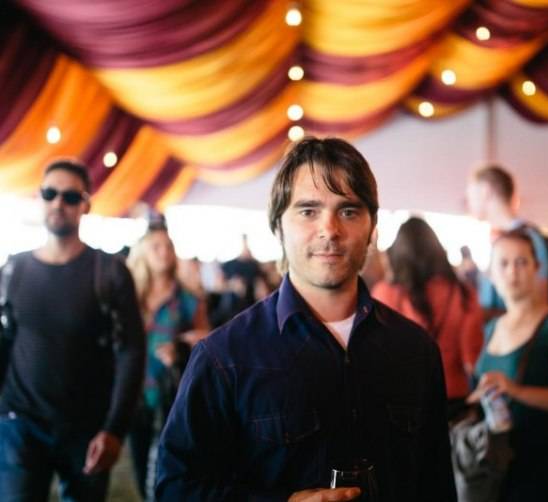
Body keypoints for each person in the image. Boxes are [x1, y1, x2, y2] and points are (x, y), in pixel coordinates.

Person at [156, 138, 456, 501]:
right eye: (308, 211)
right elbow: (176, 489)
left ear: (372, 229)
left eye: (348, 211)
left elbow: (437, 484)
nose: (330, 229)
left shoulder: (415, 350)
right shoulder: (225, 357)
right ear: (278, 227)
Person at [0, 160, 145, 501]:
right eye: (49, 194)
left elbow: (131, 351)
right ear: (39, 198)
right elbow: (5, 341)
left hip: (87, 426)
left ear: (85, 205)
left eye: (69, 196)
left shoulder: (109, 272)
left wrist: (114, 429)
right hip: (20, 423)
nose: (58, 204)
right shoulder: (14, 269)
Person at [471, 230, 548, 501]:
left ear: (537, 267)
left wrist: (516, 391)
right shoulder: (493, 327)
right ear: (491, 274)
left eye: (521, 262)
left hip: (538, 464)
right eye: (503, 263)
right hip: (495, 461)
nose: (512, 271)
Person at [126, 223, 209, 500]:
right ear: (143, 254)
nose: (164, 252)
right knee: (140, 466)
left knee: (164, 469)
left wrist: (182, 345)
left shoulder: (188, 299)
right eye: (156, 247)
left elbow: (207, 342)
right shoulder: (130, 297)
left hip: (171, 396)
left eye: (169, 246)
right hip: (134, 394)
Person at [372, 217, 484, 418]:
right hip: (454, 397)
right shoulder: (463, 293)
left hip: (404, 400)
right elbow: (471, 359)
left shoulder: (385, 293)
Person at [465, 165, 548, 316]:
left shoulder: (528, 238)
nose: (469, 203)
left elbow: (539, 305)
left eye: (471, 196)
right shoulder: (495, 239)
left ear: (486, 191)